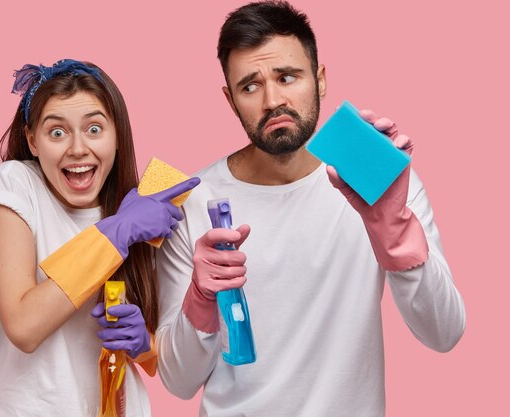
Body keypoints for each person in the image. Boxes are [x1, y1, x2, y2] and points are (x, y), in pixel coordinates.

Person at [154, 2, 466, 416]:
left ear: (320, 80)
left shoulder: (378, 182)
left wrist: (395, 234)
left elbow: (444, 333)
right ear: (230, 100)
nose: (272, 100)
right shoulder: (192, 200)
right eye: (250, 86)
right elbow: (178, 382)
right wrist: (200, 299)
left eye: (287, 77)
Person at [0, 59, 199, 416]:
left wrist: (145, 344)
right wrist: (118, 231)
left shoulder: (142, 209)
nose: (78, 148)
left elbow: (172, 368)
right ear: (32, 140)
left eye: (94, 129)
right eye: (57, 133)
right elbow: (23, 326)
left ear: (117, 136)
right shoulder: (15, 183)